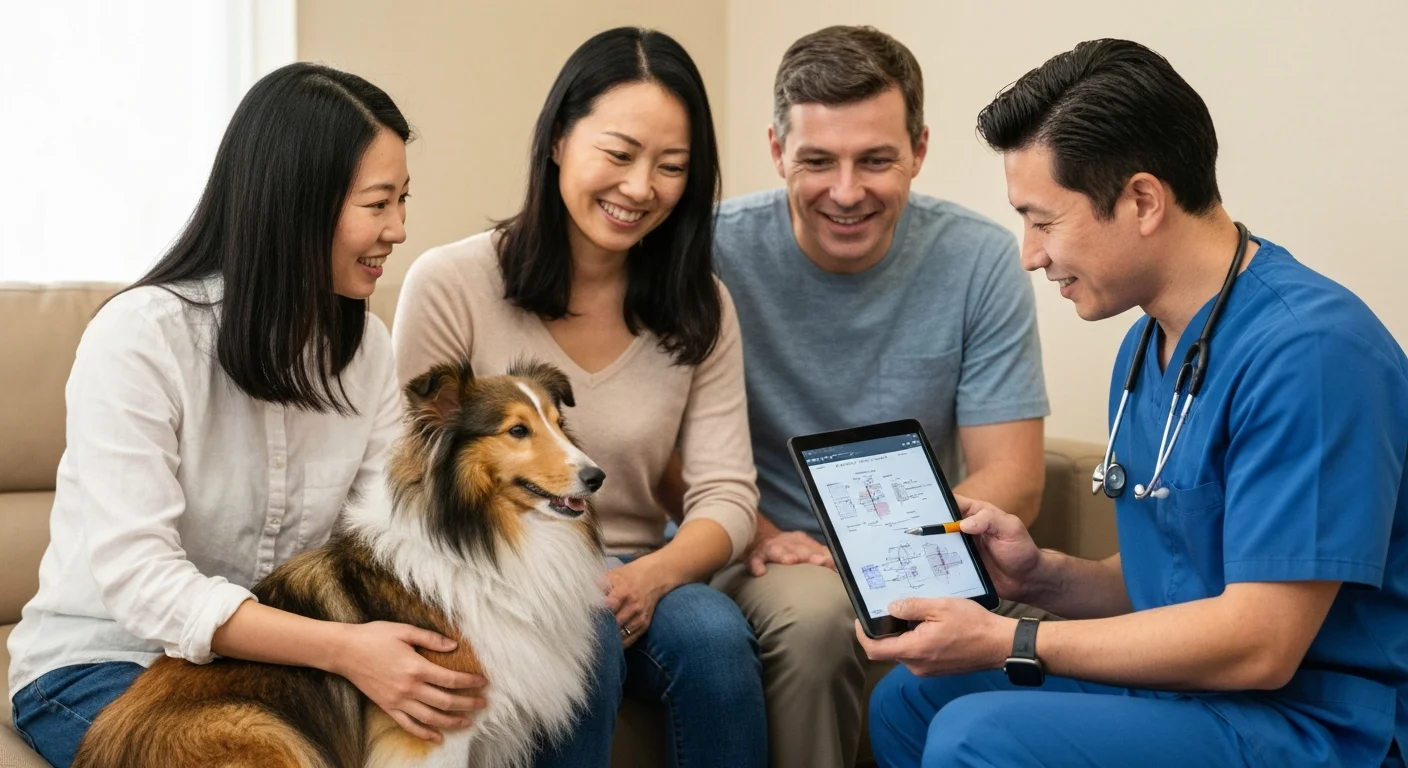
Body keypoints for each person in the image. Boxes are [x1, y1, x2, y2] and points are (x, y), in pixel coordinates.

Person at [5, 62, 610, 768]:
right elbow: (141, 580)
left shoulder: (366, 351)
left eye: (403, 201)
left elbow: (392, 528)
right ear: (297, 203)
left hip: (293, 663)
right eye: (377, 204)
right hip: (110, 665)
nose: (399, 230)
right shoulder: (140, 339)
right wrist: (348, 650)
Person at [864, 38, 1408, 768]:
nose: (1029, 253)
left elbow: (1261, 643)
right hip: (1197, 695)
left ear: (1143, 200)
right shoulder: (1147, 346)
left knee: (976, 738)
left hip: (1316, 719)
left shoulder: (1310, 353)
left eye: (1044, 220)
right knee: (912, 701)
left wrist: (1013, 638)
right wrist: (1043, 578)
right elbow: (1182, 575)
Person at [391, 27, 768, 768]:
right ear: (560, 139)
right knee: (583, 629)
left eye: (671, 167)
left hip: (635, 563)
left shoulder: (703, 306)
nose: (641, 187)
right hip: (489, 573)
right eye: (620, 153)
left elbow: (728, 493)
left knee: (718, 639)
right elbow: (407, 476)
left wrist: (652, 576)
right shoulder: (452, 282)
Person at [707, 25, 1049, 768]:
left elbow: (1014, 477)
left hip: (918, 550)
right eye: (817, 161)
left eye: (877, 161)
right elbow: (669, 449)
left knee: (1052, 647)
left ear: (920, 150)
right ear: (776, 152)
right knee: (818, 618)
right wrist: (765, 534)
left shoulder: (982, 260)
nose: (847, 191)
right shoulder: (710, 254)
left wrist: (880, 558)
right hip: (762, 548)